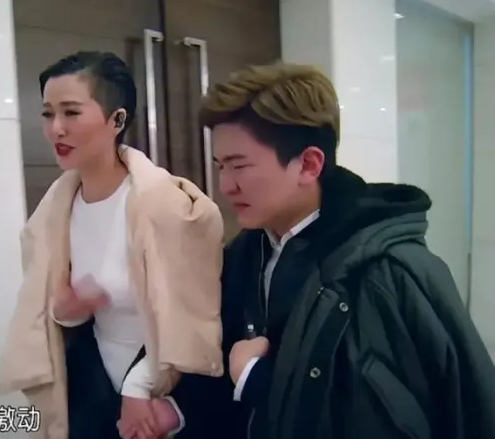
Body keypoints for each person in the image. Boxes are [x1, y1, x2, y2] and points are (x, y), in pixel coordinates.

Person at [144, 60, 495, 439]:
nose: (226, 185)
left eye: (239, 166)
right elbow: (222, 374)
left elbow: (450, 410)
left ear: (309, 164)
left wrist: (257, 379)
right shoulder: (242, 256)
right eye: (220, 166)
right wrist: (179, 411)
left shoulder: (393, 270)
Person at [0, 51, 224, 439]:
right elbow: (64, 313)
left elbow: (193, 321)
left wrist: (138, 387)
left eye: (71, 112)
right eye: (48, 114)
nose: (56, 129)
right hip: (94, 388)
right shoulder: (55, 211)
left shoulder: (164, 205)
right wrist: (68, 312)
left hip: (164, 393)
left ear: (116, 120)